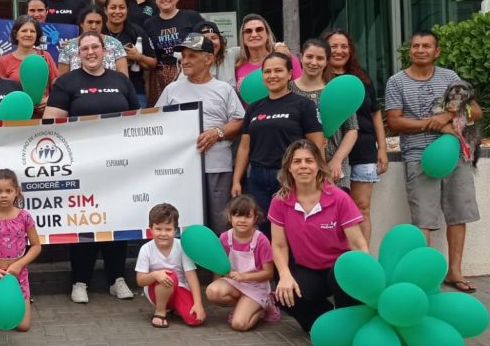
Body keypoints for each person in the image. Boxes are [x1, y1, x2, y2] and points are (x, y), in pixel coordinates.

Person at [45, 32, 139, 303]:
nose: (90, 52)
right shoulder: (67, 82)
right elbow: (52, 122)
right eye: (84, 48)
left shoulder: (120, 80)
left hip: (117, 166)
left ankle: (117, 278)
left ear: (103, 50)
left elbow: (136, 121)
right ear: (77, 54)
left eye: (94, 47)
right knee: (83, 220)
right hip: (81, 167)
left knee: (116, 218)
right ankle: (80, 280)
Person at [385, 30, 482, 293]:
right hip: (417, 156)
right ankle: (425, 277)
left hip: (455, 154)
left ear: (436, 51)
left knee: (458, 214)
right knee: (423, 220)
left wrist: (449, 117)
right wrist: (434, 125)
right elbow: (394, 122)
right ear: (410, 51)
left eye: (426, 46)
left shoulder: (450, 78)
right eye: (415, 46)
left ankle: (455, 272)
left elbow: (476, 111)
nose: (420, 50)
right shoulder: (397, 82)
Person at [269, 139, 367, 332]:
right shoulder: (280, 201)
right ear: (289, 167)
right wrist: (285, 276)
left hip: (340, 269)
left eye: (309, 161)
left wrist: (364, 277)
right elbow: (279, 246)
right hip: (310, 270)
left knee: (343, 273)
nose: (303, 166)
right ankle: (328, 325)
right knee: (285, 295)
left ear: (318, 166)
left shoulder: (339, 198)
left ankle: (351, 324)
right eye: (297, 162)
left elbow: (358, 244)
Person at [157, 33, 244, 234]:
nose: (185, 61)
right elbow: (156, 123)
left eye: (191, 56)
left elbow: (240, 121)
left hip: (217, 167)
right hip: (181, 171)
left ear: (209, 59)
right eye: (183, 56)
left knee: (220, 223)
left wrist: (218, 132)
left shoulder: (224, 89)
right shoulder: (172, 90)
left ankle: (217, 265)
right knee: (185, 225)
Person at [232, 52, 324, 228]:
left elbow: (316, 144)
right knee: (263, 228)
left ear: (289, 74)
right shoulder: (254, 108)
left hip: (290, 176)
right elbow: (244, 147)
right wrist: (237, 180)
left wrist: (318, 176)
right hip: (257, 178)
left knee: (293, 227)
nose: (272, 76)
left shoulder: (303, 105)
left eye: (278, 71)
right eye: (267, 72)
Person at [325, 29, 388, 243]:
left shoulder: (362, 79)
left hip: (363, 149)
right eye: (334, 46)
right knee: (333, 210)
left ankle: (364, 259)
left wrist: (382, 148)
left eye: (344, 46)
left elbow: (375, 114)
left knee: (362, 208)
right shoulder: (320, 80)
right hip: (331, 153)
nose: (339, 51)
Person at [0, 169, 41, 332]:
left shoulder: (24, 217)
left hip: (19, 276)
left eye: (8, 191)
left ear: (16, 192)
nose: (3, 195)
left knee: (23, 326)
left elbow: (36, 246)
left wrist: (19, 265)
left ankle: (15, 303)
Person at [290, 39, 358, 190]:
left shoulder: (338, 89)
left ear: (327, 61)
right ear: (301, 57)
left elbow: (352, 129)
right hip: (299, 169)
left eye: (320, 58)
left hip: (335, 168)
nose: (314, 62)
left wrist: (337, 160)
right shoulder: (288, 89)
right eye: (309, 57)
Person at [205, 195, 279, 330]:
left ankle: (265, 305)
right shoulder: (225, 237)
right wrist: (219, 280)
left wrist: (244, 276)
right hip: (235, 283)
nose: (242, 220)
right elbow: (218, 265)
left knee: (239, 324)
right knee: (212, 291)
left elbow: (268, 274)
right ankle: (244, 306)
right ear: (230, 217)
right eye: (238, 216)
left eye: (247, 216)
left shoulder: (261, 241)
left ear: (255, 218)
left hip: (256, 286)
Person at [135, 203, 205, 328]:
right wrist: (155, 275)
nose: (163, 234)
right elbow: (140, 280)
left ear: (175, 230)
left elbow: (191, 276)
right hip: (156, 292)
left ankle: (174, 308)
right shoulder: (146, 249)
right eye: (158, 229)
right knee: (169, 275)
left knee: (196, 319)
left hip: (180, 289)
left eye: (168, 229)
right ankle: (160, 312)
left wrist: (198, 304)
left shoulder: (182, 247)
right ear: (150, 229)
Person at [142, 0, 203, 106]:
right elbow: (149, 58)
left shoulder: (192, 17)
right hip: (158, 79)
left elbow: (204, 47)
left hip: (187, 74)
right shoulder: (149, 24)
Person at [102, 0, 156, 107]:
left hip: (135, 92)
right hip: (103, 91)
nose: (117, 11)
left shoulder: (137, 32)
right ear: (105, 10)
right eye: (113, 7)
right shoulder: (98, 33)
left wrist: (139, 57)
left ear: (127, 10)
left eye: (122, 7)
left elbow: (153, 63)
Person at [0, 16, 59, 115]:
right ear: (16, 34)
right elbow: (0, 93)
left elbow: (57, 85)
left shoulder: (45, 56)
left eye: (32, 31)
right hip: (17, 116)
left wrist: (49, 100)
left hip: (44, 115)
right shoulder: (4, 61)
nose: (28, 34)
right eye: (24, 31)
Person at [234, 13, 302, 97]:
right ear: (243, 38)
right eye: (248, 31)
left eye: (259, 29)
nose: (254, 34)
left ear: (267, 34)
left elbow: (300, 92)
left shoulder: (286, 58)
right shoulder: (238, 67)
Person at [57, 5, 128, 76]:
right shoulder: (68, 47)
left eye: (98, 22)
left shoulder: (115, 44)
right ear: (82, 24)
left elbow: (124, 79)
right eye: (90, 22)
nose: (94, 26)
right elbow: (62, 80)